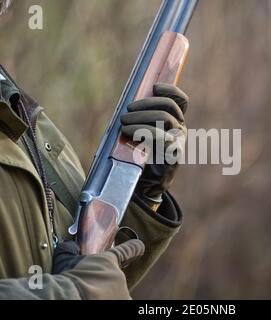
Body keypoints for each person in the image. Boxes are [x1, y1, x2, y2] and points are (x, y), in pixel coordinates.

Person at [0, 0, 188, 299]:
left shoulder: (19, 108)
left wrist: (142, 194)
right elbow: (83, 286)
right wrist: (77, 293)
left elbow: (87, 265)